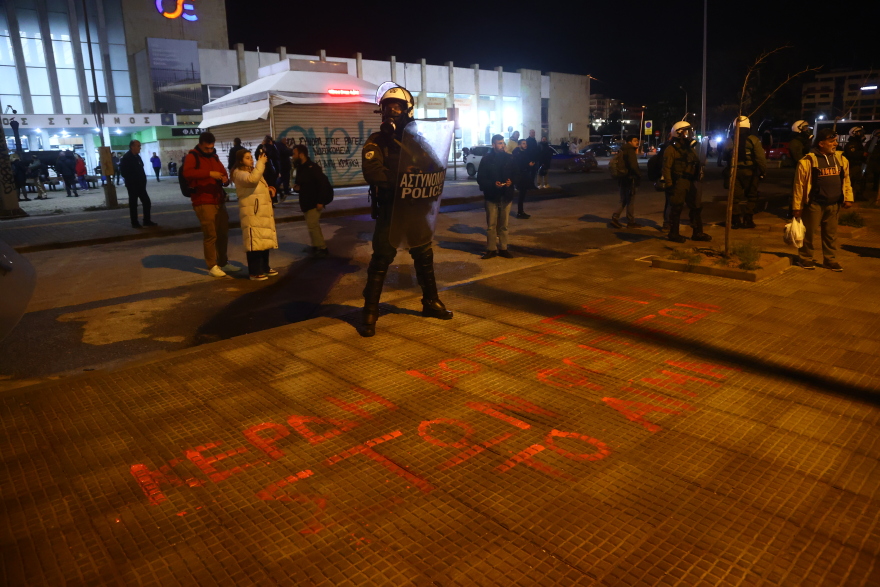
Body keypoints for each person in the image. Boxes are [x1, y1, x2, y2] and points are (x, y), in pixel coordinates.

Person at [360, 83, 453, 337]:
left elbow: (434, 164)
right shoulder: (377, 140)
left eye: (397, 106)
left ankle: (431, 301)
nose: (392, 111)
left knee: (423, 254)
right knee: (381, 259)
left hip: (416, 209)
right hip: (391, 209)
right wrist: (400, 181)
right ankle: (369, 310)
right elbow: (372, 171)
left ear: (407, 110)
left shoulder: (417, 140)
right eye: (388, 107)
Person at [792, 128, 854, 271]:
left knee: (831, 235)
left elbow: (846, 180)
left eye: (835, 141)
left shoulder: (841, 159)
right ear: (821, 143)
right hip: (814, 204)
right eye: (832, 141)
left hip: (834, 204)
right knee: (809, 233)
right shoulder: (807, 161)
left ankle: (830, 260)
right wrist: (797, 207)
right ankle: (805, 258)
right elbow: (799, 185)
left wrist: (848, 197)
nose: (835, 144)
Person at [182, 131, 240, 277]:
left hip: (218, 199)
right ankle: (212, 265)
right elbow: (187, 173)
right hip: (203, 200)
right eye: (207, 148)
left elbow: (222, 173)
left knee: (223, 233)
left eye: (211, 148)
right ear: (200, 144)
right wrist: (209, 174)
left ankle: (223, 262)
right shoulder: (192, 156)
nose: (210, 150)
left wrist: (225, 179)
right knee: (210, 234)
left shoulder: (214, 156)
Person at [230, 149, 278, 280]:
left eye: (251, 157)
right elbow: (252, 181)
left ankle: (265, 267)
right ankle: (254, 271)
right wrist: (261, 163)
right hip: (252, 212)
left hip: (261, 211)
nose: (251, 159)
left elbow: (256, 185)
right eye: (247, 158)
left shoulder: (251, 171)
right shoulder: (238, 173)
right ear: (240, 160)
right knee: (254, 241)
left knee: (264, 239)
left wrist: (267, 189)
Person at [662, 121, 711, 243]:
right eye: (686, 132)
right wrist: (669, 184)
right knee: (676, 208)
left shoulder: (690, 148)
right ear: (679, 133)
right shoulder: (671, 149)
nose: (689, 134)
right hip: (679, 181)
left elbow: (699, 161)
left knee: (696, 207)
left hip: (690, 181)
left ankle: (697, 232)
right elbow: (666, 168)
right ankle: (673, 233)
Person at [724, 116, 766, 229]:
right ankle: (748, 219)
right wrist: (763, 171)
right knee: (752, 196)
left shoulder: (730, 140)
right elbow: (760, 158)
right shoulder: (754, 140)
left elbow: (724, 156)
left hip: (735, 172)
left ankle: (735, 220)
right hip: (750, 172)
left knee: (734, 198)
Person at [477, 134, 514, 259]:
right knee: (491, 225)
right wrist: (493, 184)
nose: (502, 145)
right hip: (492, 196)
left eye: (503, 143)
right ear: (493, 145)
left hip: (506, 196)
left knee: (504, 225)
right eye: (499, 143)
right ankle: (491, 249)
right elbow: (480, 178)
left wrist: (511, 182)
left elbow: (517, 174)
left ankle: (503, 248)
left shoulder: (510, 158)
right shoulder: (486, 159)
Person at [292, 144, 330, 257]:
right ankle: (316, 246)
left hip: (314, 201)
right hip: (306, 202)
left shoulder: (313, 168)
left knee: (313, 225)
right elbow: (301, 184)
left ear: (301, 154)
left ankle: (322, 248)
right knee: (311, 225)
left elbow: (323, 184)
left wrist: (321, 201)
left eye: (294, 154)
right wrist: (297, 188)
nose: (293, 156)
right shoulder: (300, 168)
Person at [119, 140, 157, 229]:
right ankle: (135, 222)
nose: (140, 147)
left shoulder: (137, 157)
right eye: (138, 146)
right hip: (133, 185)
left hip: (140, 185)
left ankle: (146, 221)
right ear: (132, 147)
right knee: (133, 204)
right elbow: (124, 172)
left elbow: (140, 168)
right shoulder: (127, 158)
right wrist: (133, 180)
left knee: (146, 202)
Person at [610, 135, 642, 229]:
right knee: (630, 201)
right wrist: (639, 175)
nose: (637, 142)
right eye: (635, 140)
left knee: (623, 199)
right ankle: (631, 221)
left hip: (622, 178)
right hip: (630, 178)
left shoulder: (622, 149)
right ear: (629, 142)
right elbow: (633, 166)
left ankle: (615, 218)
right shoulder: (630, 151)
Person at [511, 138, 534, 219]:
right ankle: (520, 212)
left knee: (523, 194)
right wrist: (528, 165)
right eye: (523, 143)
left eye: (525, 143)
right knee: (521, 194)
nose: (525, 145)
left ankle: (521, 211)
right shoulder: (517, 154)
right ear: (519, 145)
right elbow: (519, 165)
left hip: (524, 175)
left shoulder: (524, 153)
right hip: (521, 176)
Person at [843, 126, 868, 200]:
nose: (861, 134)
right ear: (855, 133)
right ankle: (849, 196)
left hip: (858, 165)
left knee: (859, 181)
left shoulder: (858, 143)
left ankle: (858, 195)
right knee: (852, 181)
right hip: (852, 165)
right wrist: (862, 154)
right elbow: (852, 154)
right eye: (860, 132)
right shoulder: (851, 144)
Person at [866, 130, 880, 196]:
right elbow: (868, 152)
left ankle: (875, 188)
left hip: (876, 162)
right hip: (871, 162)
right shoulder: (871, 142)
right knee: (868, 176)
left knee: (876, 176)